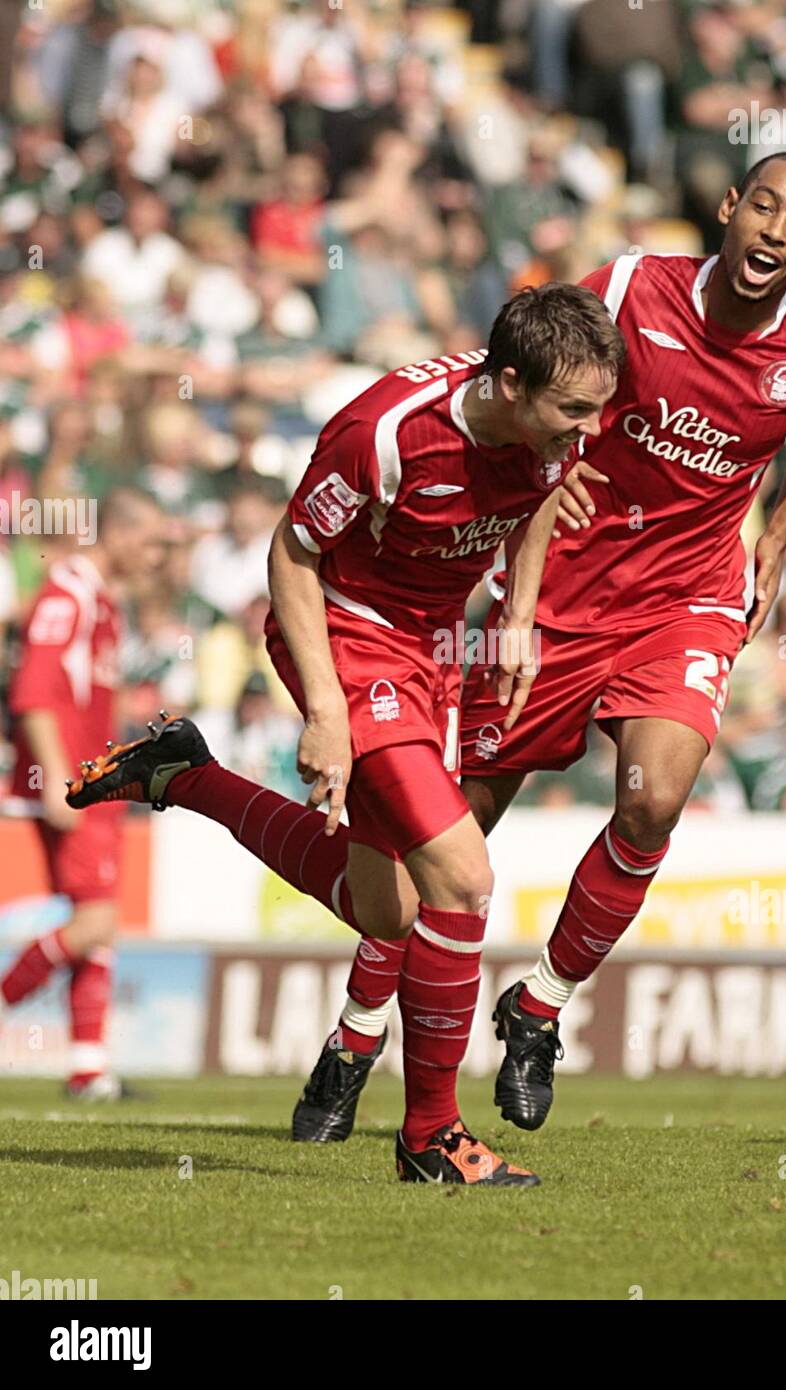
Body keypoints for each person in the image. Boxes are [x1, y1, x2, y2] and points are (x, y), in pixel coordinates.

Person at [295, 151, 786, 1136]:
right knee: (443, 840)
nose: (775, 232)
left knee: (653, 799)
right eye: (763, 207)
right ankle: (357, 1033)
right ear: (729, 207)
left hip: (687, 599)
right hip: (559, 588)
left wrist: (775, 535)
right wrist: (535, 497)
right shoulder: (626, 285)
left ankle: (541, 1004)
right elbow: (532, 385)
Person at [65, 282, 625, 1185]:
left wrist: (517, 616)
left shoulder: (549, 436)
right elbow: (290, 553)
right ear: (510, 383)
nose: (588, 431)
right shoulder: (385, 434)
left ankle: (185, 775)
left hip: (433, 653)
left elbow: (535, 511)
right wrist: (328, 711)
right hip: (345, 636)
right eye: (572, 409)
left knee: (386, 910)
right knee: (461, 874)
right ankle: (430, 1136)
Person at [0, 488, 167, 1098]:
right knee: (95, 921)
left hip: (98, 782)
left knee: (99, 922)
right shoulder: (67, 594)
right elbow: (33, 694)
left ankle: (89, 1068)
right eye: (151, 543)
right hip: (72, 784)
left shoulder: (101, 602)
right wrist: (53, 782)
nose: (155, 557)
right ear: (120, 535)